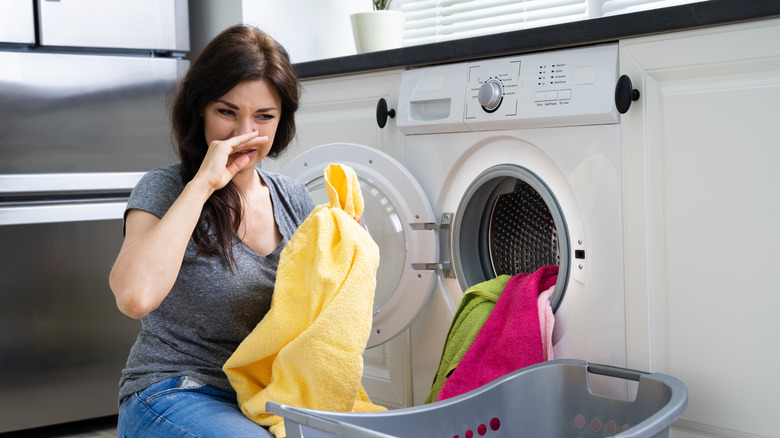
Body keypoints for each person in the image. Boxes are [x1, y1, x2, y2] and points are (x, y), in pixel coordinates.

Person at [109, 24, 315, 437]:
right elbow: (134, 298)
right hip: (175, 391)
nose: (244, 133)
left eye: (263, 116)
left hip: (267, 398)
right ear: (199, 110)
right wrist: (202, 185)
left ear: (281, 120)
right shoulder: (165, 189)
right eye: (227, 112)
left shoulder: (295, 200)